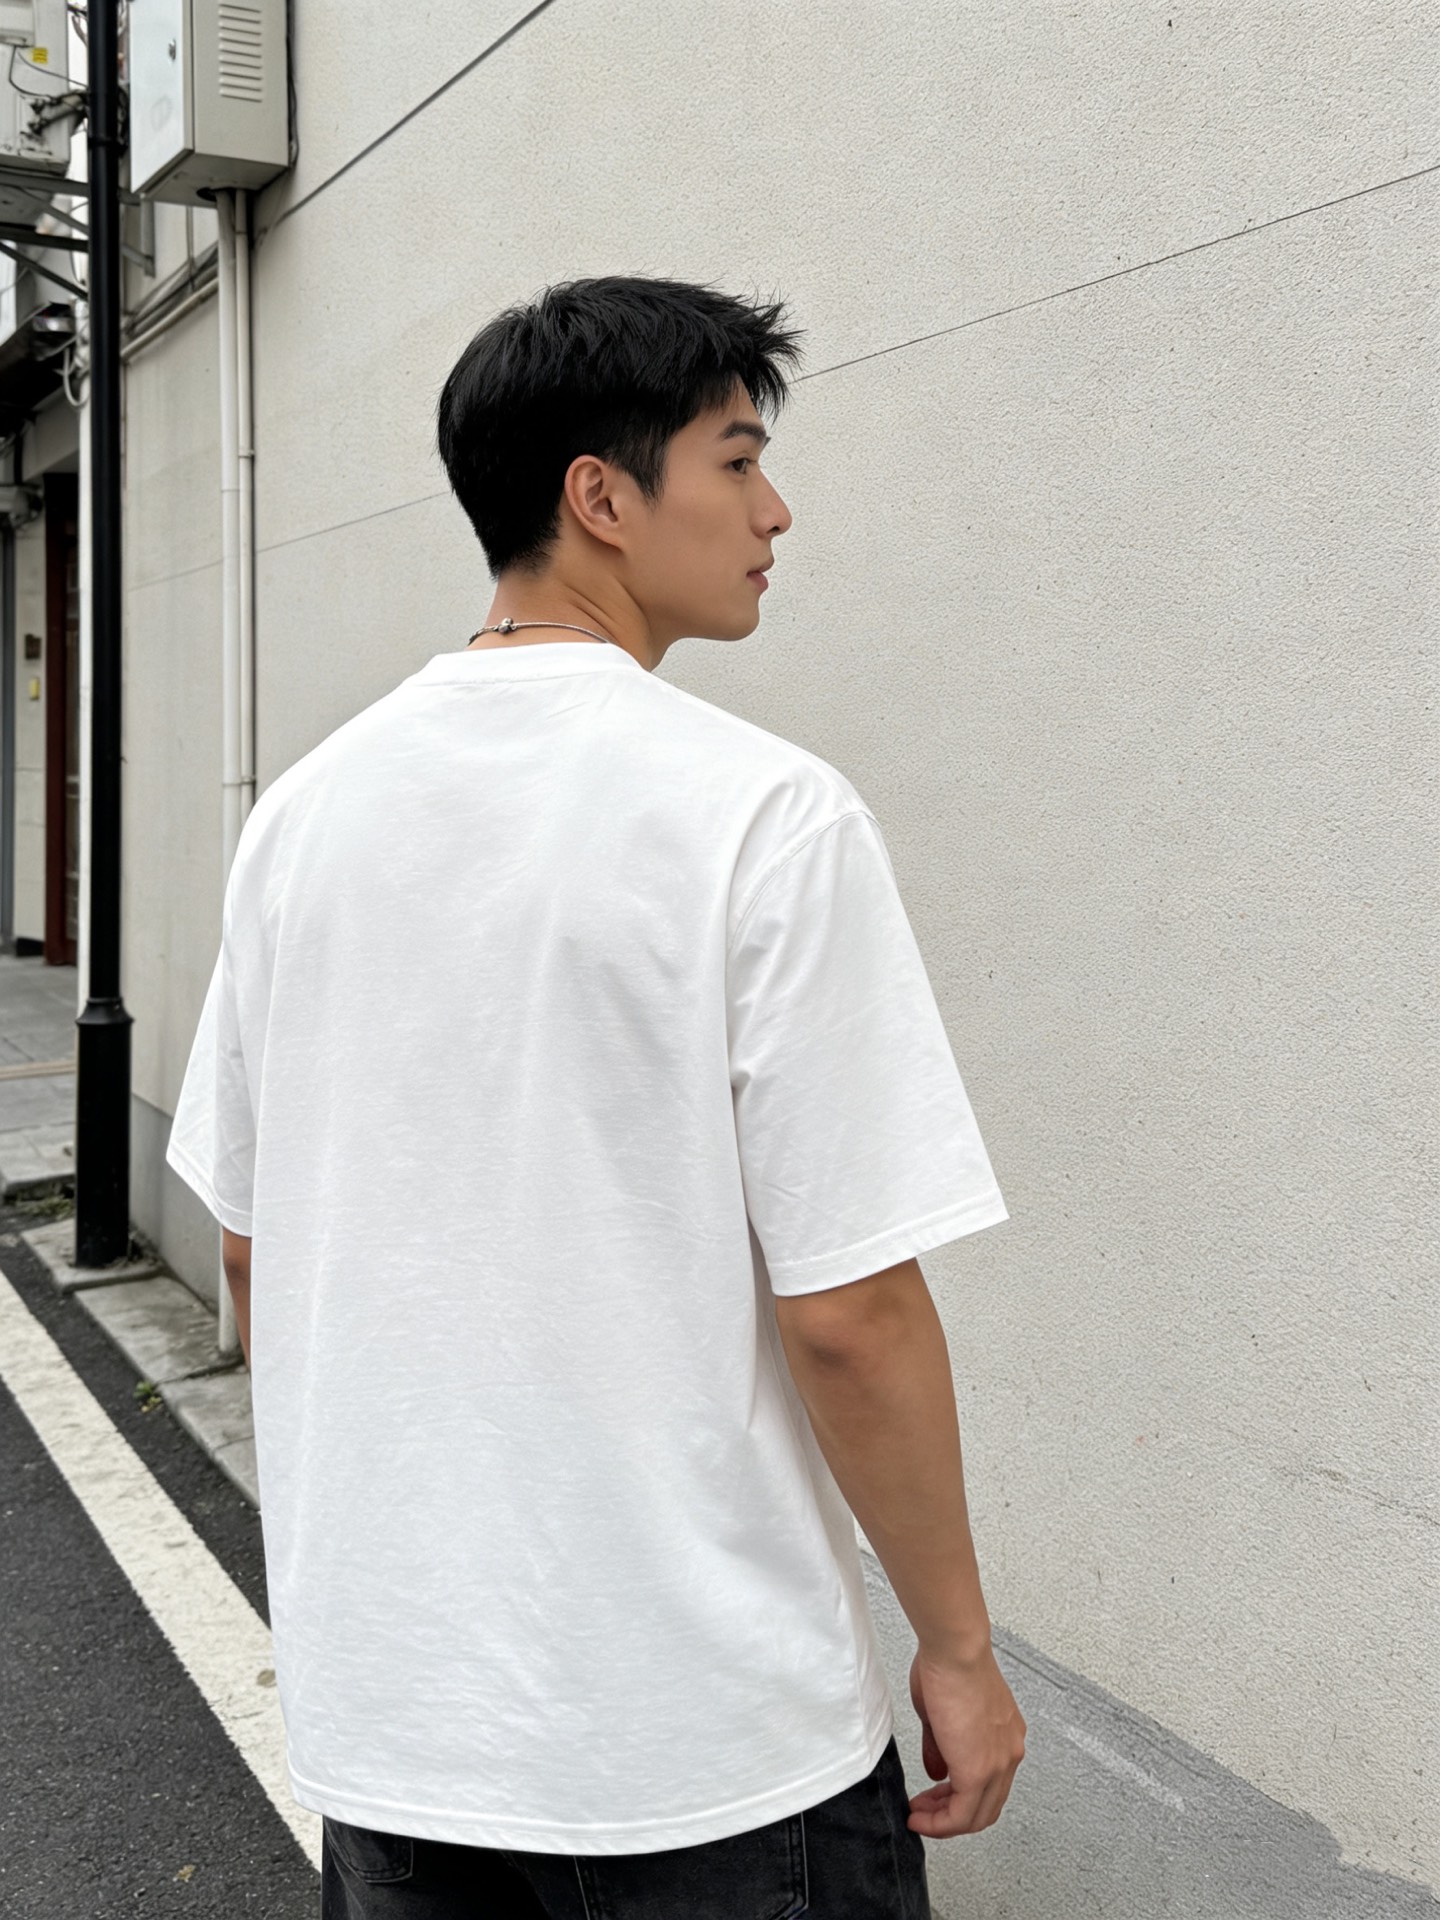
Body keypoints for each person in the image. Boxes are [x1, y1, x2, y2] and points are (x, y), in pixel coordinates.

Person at [165, 274, 1026, 1919]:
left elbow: (256, 1251)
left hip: (402, 1733)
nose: (775, 511)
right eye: (738, 461)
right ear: (602, 498)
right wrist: (960, 1651)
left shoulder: (305, 818)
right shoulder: (764, 815)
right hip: (711, 1746)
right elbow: (850, 1312)